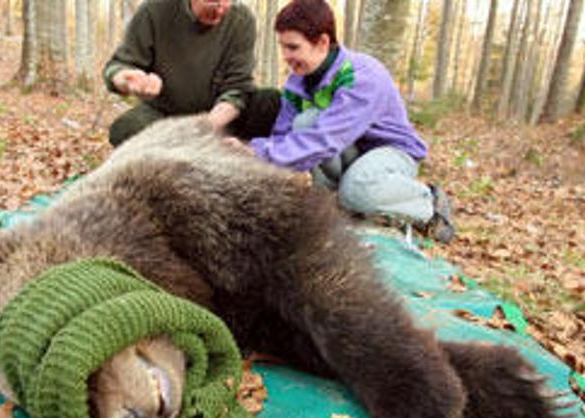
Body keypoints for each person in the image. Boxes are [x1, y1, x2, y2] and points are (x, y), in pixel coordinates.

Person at [247, 0, 455, 243]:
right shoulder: (298, 81)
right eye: (282, 47)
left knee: (357, 191)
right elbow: (283, 135)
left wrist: (257, 153)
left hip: (392, 151)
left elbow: (324, 139)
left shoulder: (361, 76)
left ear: (322, 42)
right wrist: (254, 154)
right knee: (305, 123)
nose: (286, 56)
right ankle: (344, 203)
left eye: (293, 47)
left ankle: (428, 202)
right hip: (349, 150)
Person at [103, 0, 280, 147]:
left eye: (227, 1)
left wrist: (206, 126)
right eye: (212, 2)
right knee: (126, 128)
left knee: (270, 102)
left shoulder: (241, 19)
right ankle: (184, 156)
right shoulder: (154, 11)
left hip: (220, 118)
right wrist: (127, 80)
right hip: (165, 117)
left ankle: (236, 156)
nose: (220, 9)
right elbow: (118, 66)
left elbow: (239, 87)